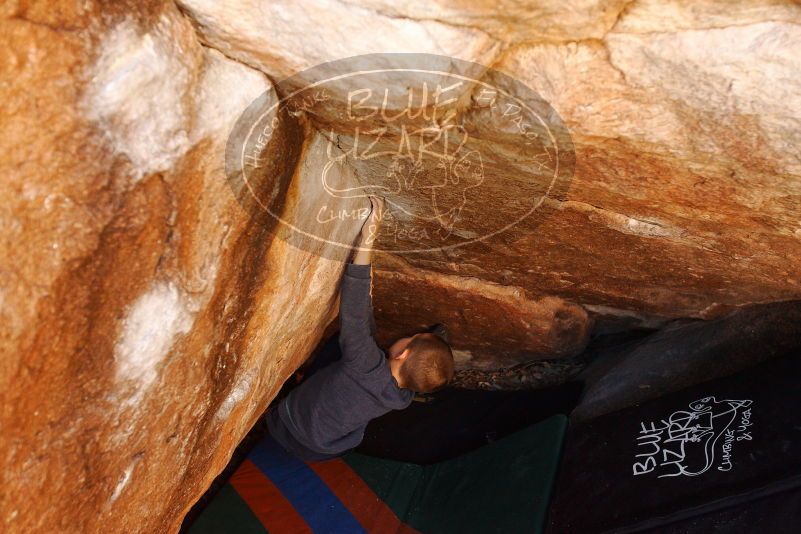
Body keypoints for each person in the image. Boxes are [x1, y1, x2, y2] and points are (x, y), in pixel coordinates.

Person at [266, 196, 455, 461]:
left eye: (411, 338)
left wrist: (368, 238)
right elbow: (368, 345)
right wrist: (430, 345)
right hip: (324, 450)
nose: (406, 335)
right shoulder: (403, 396)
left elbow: (354, 315)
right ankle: (429, 344)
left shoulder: (364, 362)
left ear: (402, 354)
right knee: (360, 349)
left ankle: (293, 391)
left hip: (286, 426)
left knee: (342, 344)